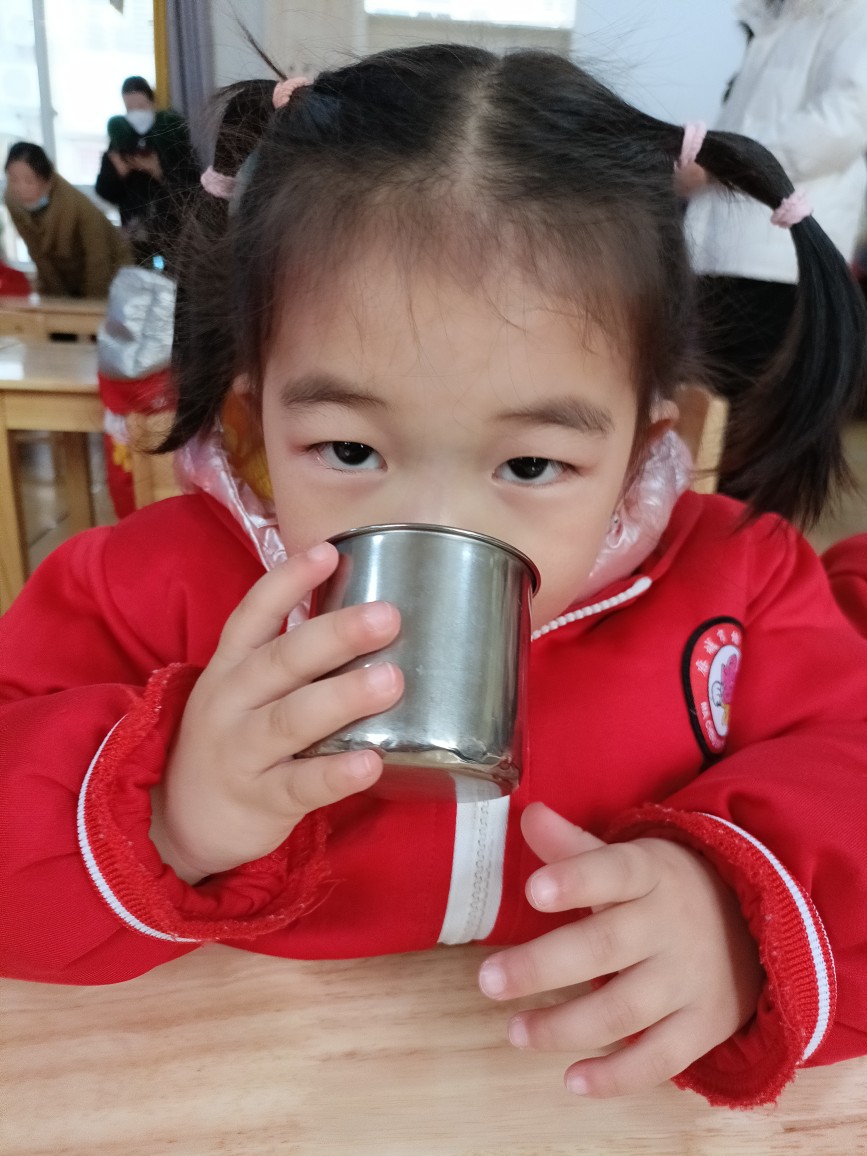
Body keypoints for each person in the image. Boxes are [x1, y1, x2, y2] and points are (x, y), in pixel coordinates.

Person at [2, 46, 866, 1113]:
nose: (443, 521)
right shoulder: (145, 589)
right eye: (349, 450)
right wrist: (165, 812)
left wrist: (748, 913)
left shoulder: (743, 583)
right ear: (254, 419)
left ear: (647, 445)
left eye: (532, 465)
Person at [685, 0, 867, 408]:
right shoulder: (777, 22)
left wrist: (717, 162)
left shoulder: (854, 16)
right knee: (710, 412)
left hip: (781, 261)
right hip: (726, 253)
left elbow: (839, 125)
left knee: (759, 415)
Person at [95, 76, 200, 269]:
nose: (136, 113)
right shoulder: (120, 140)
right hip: (135, 232)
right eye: (130, 108)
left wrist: (159, 171)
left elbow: (192, 186)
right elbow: (104, 190)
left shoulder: (171, 134)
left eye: (141, 106)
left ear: (152, 103)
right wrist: (120, 172)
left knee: (173, 275)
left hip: (173, 231)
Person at [4, 142, 130, 298]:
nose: (20, 189)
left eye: (29, 181)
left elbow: (98, 259)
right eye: (13, 180)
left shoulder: (75, 205)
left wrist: (91, 304)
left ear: (48, 181)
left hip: (110, 270)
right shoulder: (11, 199)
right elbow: (37, 253)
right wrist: (59, 298)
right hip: (66, 276)